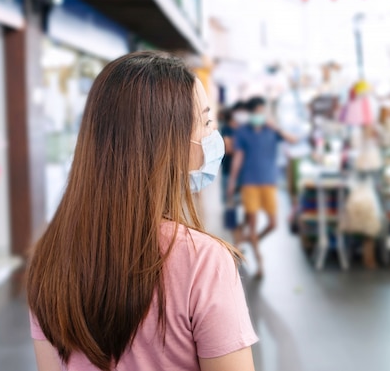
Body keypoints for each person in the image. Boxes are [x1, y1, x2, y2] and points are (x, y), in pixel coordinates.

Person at [27, 52, 258, 371]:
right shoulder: (204, 261)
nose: (212, 135)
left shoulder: (50, 258)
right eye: (205, 122)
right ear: (167, 141)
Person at [228, 96, 296, 278]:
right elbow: (238, 157)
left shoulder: (272, 130)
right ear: (251, 113)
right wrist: (232, 181)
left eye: (262, 111)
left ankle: (251, 240)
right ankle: (260, 264)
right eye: (257, 112)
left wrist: (277, 128)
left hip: (269, 181)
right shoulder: (242, 132)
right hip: (249, 182)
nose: (260, 114)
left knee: (273, 224)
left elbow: (293, 140)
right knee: (252, 224)